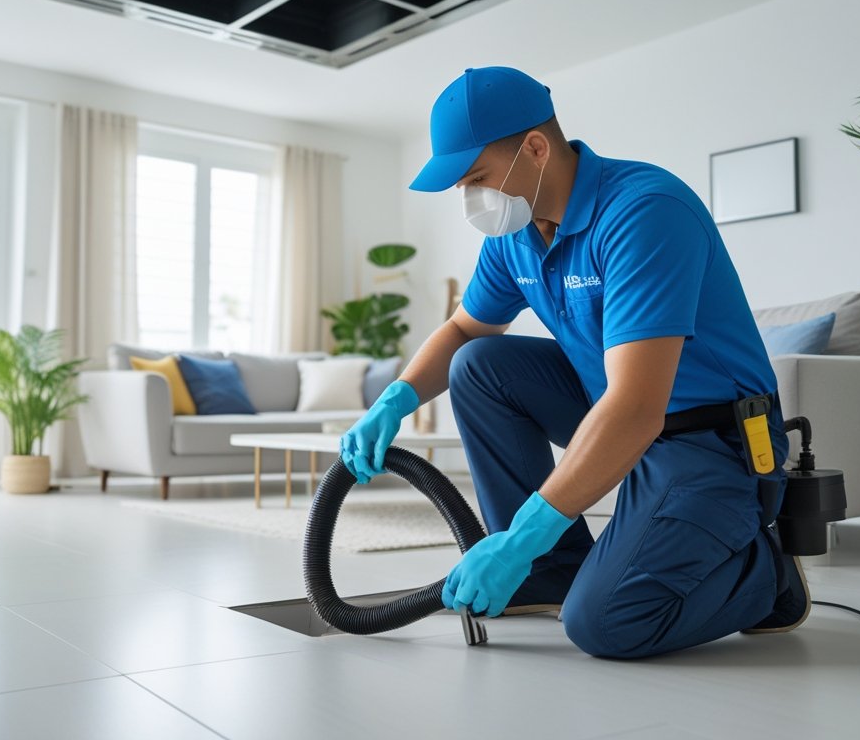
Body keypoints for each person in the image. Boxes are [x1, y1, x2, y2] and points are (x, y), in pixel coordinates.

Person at [338, 66, 809, 659]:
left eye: (476, 177)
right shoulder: (511, 235)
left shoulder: (644, 212)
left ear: (534, 148)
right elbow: (464, 329)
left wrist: (518, 539)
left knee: (606, 625)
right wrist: (394, 400)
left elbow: (637, 408)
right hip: (617, 415)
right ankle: (552, 572)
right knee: (481, 363)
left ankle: (767, 577)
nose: (469, 198)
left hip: (710, 439)